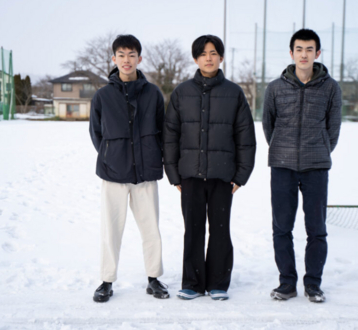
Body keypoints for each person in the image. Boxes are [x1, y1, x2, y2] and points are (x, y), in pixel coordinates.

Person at [163, 35, 256, 301]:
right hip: (189, 175)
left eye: (213, 52)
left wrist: (241, 175)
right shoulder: (182, 92)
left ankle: (218, 282)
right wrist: (173, 173)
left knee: (220, 229)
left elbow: (245, 136)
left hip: (222, 175)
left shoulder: (234, 93)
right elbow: (170, 135)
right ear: (195, 58)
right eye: (203, 53)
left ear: (221, 57)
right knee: (192, 229)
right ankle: (191, 283)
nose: (208, 57)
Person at [262, 29, 342, 303]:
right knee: (282, 228)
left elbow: (333, 129)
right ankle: (287, 283)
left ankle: (313, 284)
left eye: (309, 49)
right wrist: (283, 149)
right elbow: (268, 125)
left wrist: (317, 149)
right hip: (282, 166)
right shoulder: (275, 88)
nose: (304, 54)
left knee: (316, 229)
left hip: (316, 166)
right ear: (291, 53)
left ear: (317, 53)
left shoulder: (331, 88)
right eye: (299, 49)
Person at [89, 34, 169, 302]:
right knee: (111, 229)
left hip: (145, 173)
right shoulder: (102, 96)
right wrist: (112, 155)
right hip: (114, 173)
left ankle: (154, 278)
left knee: (151, 229)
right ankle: (106, 280)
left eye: (131, 55)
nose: (126, 60)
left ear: (139, 58)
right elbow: (96, 134)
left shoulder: (152, 92)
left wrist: (153, 156)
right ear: (113, 59)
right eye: (121, 55)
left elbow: (162, 130)